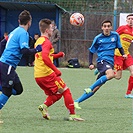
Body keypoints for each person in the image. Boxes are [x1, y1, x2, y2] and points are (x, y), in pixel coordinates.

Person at [34, 18, 84, 121]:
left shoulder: (39, 40)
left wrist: (57, 55)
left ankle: (43, 106)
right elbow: (45, 57)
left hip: (38, 76)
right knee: (66, 91)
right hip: (47, 74)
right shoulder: (47, 42)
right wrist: (55, 70)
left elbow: (45, 55)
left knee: (57, 95)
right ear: (47, 30)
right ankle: (73, 115)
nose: (53, 30)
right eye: (51, 28)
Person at [0, 10, 42, 123]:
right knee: (7, 91)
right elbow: (24, 50)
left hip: (6, 65)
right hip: (7, 65)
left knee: (18, 89)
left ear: (19, 21)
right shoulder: (23, 33)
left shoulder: (14, 31)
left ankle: (3, 86)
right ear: (29, 22)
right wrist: (36, 50)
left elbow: (2, 44)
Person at [74, 20, 127, 109]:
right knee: (111, 75)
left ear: (111, 27)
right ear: (102, 28)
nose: (106, 28)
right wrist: (90, 63)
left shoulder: (115, 35)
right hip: (102, 61)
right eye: (105, 26)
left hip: (110, 63)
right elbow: (91, 51)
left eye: (108, 26)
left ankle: (76, 101)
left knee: (96, 88)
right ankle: (90, 87)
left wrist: (123, 54)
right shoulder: (98, 38)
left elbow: (120, 47)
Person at [114, 14, 133, 98]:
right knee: (118, 77)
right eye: (129, 19)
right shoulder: (122, 28)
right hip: (118, 54)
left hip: (127, 54)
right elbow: (113, 36)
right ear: (126, 20)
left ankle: (128, 93)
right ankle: (105, 71)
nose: (131, 20)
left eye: (132, 19)